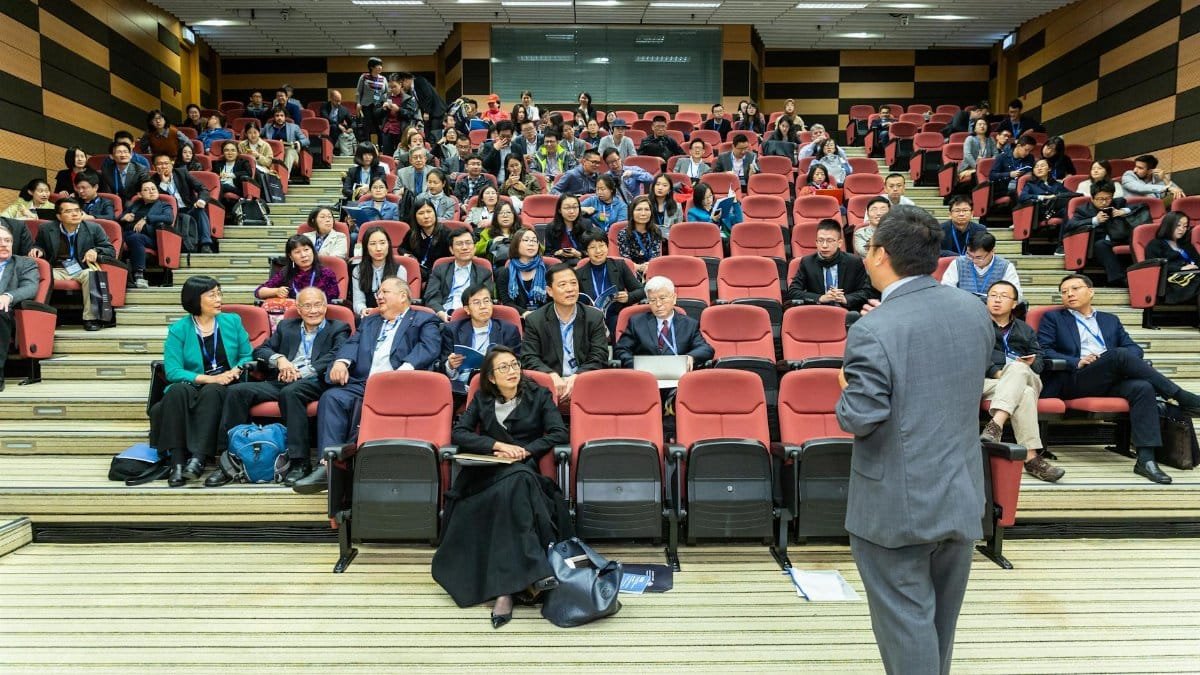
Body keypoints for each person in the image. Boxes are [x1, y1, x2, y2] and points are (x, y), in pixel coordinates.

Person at [836, 204, 994, 675]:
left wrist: (844, 390)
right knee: (938, 630)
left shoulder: (874, 328)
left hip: (896, 508)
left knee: (907, 628)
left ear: (881, 254)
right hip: (961, 493)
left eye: (867, 250)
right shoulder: (974, 309)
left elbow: (861, 417)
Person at [431, 345, 571, 628]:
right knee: (512, 491)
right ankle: (532, 572)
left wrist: (524, 451)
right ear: (491, 378)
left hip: (522, 469)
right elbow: (459, 432)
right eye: (503, 368)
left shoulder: (539, 395)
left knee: (519, 483)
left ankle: (505, 591)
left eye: (515, 365)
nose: (512, 371)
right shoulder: (482, 398)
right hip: (486, 472)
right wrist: (496, 445)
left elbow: (559, 432)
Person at [1038, 274, 1200, 484]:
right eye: (1064, 291)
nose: (1069, 294)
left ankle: (1146, 459)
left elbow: (1135, 349)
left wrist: (1112, 361)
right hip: (1075, 378)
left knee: (1142, 387)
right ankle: (1182, 396)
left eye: (1075, 288)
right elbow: (1043, 350)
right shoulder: (1054, 318)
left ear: (1091, 291)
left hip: (1110, 377)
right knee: (1118, 355)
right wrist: (1076, 360)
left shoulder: (1109, 320)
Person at [306, 277, 443, 489]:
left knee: (362, 409)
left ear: (403, 296)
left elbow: (429, 348)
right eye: (378, 292)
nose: (378, 296)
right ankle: (328, 465)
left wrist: (403, 372)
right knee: (332, 397)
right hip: (364, 383)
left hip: (401, 386)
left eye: (384, 292)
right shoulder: (370, 321)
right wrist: (341, 362)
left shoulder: (424, 319)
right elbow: (352, 343)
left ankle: (352, 471)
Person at [210, 286, 351, 487]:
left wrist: (301, 372)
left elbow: (335, 355)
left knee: (291, 392)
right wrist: (281, 361)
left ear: (325, 306)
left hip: (316, 382)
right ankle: (228, 460)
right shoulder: (287, 326)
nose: (313, 311)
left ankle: (300, 462)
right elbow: (262, 350)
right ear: (299, 309)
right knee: (236, 391)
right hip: (282, 379)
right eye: (307, 306)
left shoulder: (338, 327)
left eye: (318, 305)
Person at [153, 276, 255, 487]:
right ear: (195, 299)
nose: (219, 299)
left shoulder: (232, 321)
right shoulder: (179, 329)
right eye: (212, 295)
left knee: (213, 390)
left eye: (219, 293)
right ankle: (178, 463)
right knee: (176, 392)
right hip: (192, 382)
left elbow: (247, 356)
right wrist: (209, 377)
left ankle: (198, 459)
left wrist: (235, 371)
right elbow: (172, 371)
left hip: (224, 383)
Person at [978, 280, 1064, 482]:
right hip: (989, 381)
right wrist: (998, 373)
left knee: (1019, 369)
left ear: (1015, 303)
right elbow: (973, 354)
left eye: (1003, 296)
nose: (997, 299)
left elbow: (1040, 360)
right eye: (993, 295)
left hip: (1027, 377)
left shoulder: (1025, 330)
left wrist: (1030, 364)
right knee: (1024, 393)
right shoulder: (977, 326)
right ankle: (1031, 457)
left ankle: (995, 425)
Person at [519, 264, 609, 402]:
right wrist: (550, 375)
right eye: (562, 284)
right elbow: (529, 357)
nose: (570, 289)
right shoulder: (535, 320)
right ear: (549, 290)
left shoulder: (594, 317)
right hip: (549, 385)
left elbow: (599, 355)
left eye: (573, 283)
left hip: (585, 381)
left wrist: (578, 376)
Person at [31, 197, 117, 331]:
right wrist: (38, 250)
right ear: (59, 216)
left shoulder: (93, 228)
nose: (75, 214)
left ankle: (91, 319)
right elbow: (39, 245)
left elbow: (110, 250)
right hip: (56, 269)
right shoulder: (46, 228)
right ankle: (37, 317)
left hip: (81, 268)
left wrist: (95, 250)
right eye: (69, 211)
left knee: (92, 275)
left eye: (77, 210)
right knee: (35, 275)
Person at [614, 275, 712, 368]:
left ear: (674, 298)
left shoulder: (689, 325)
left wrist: (691, 357)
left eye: (662, 298)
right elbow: (621, 350)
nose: (658, 304)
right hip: (646, 377)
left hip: (677, 377)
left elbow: (706, 349)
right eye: (652, 300)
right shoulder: (637, 323)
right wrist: (636, 365)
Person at [1063, 180, 1149, 285]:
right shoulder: (1083, 210)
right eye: (1100, 199)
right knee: (1101, 245)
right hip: (1097, 243)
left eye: (1108, 198)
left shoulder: (1118, 203)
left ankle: (1143, 276)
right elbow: (1069, 225)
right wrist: (1094, 220)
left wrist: (1124, 211)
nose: (1104, 202)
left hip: (1121, 238)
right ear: (1092, 198)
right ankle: (1119, 279)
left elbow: (1142, 206)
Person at [442, 285, 522, 390]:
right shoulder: (452, 330)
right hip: (461, 387)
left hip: (497, 386)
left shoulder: (508, 330)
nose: (483, 306)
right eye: (476, 302)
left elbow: (518, 363)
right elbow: (441, 366)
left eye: (487, 301)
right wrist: (450, 365)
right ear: (467, 309)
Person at [786, 219, 875, 311]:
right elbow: (793, 291)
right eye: (820, 240)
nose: (824, 245)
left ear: (839, 243)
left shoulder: (854, 262)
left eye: (829, 241)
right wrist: (820, 298)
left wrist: (845, 298)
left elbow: (866, 292)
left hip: (847, 313)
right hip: (818, 311)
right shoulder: (807, 262)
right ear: (816, 242)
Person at [0, 223, 40, 391]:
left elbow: (30, 288)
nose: (4, 244)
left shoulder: (24, 263)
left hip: (9, 315)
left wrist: (8, 296)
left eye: (7, 240)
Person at [577, 229, 644, 327]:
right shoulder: (579, 273)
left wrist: (628, 297)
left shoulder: (620, 266)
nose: (598, 251)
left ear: (607, 246)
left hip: (615, 315)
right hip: (590, 317)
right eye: (592, 247)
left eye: (601, 245)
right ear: (586, 251)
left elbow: (641, 290)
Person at [150, 153, 214, 253]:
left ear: (172, 163)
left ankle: (205, 244)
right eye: (159, 164)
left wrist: (201, 200)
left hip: (189, 208)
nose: (163, 166)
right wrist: (163, 182)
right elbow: (155, 200)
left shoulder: (182, 173)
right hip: (170, 214)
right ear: (154, 166)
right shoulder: (152, 181)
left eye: (166, 163)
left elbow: (203, 189)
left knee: (200, 211)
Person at [425, 228, 494, 321]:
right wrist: (440, 312)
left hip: (470, 317)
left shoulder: (484, 273)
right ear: (451, 250)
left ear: (474, 248)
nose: (464, 247)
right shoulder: (440, 269)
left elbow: (484, 300)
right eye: (459, 244)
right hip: (443, 315)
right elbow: (431, 296)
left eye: (468, 243)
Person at [255, 234, 341, 306]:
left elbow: (333, 301)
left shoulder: (326, 273)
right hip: (292, 317)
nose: (303, 255)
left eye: (306, 250)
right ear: (291, 257)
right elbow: (259, 292)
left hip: (319, 314)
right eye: (297, 252)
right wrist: (276, 291)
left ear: (313, 252)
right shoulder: (286, 273)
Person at [119, 179, 175, 288]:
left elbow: (169, 218)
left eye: (153, 189)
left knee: (136, 238)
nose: (151, 191)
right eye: (146, 189)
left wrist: (146, 219)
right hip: (127, 235)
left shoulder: (164, 205)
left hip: (151, 238)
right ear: (139, 194)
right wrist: (123, 218)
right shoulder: (136, 205)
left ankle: (139, 275)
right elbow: (118, 217)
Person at [940, 231, 1023, 301]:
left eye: (978, 257)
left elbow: (1017, 296)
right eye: (969, 255)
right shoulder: (958, 263)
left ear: (992, 251)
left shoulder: (1006, 267)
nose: (973, 260)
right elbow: (946, 290)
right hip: (963, 309)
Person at [1145, 212, 1200, 312]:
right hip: (1171, 283)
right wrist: (1181, 268)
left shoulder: (1186, 245)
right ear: (1169, 225)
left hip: (1192, 277)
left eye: (1185, 226)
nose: (1182, 229)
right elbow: (1154, 266)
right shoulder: (1156, 244)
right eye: (1178, 225)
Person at [351, 225, 403, 318]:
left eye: (382, 243)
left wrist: (379, 311)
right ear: (366, 247)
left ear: (388, 245)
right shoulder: (358, 270)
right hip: (368, 317)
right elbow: (358, 301)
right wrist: (363, 310)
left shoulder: (400, 270)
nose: (378, 248)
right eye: (373, 244)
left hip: (393, 316)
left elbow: (400, 301)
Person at [495, 229, 549, 316]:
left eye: (534, 241)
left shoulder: (547, 270)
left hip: (545, 318)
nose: (531, 243)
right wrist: (525, 313)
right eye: (526, 240)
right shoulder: (505, 273)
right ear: (516, 245)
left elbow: (554, 299)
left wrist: (538, 316)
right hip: (518, 318)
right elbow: (507, 302)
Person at [400, 199, 451, 282]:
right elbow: (401, 248)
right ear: (415, 216)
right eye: (421, 213)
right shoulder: (413, 232)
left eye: (429, 211)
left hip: (438, 275)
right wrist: (408, 255)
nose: (426, 216)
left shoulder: (446, 233)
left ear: (435, 213)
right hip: (417, 271)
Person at [1018, 157, 1077, 225]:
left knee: (1073, 211)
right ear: (1033, 171)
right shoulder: (1030, 184)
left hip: (1057, 209)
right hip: (1042, 212)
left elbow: (1070, 194)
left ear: (1049, 169)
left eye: (1042, 166)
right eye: (1036, 167)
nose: (1039, 168)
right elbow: (1022, 197)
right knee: (1068, 212)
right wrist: (1044, 197)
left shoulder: (1056, 184)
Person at [617, 196, 664, 275]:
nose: (643, 213)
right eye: (639, 209)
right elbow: (626, 259)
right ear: (632, 212)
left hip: (652, 267)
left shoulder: (656, 231)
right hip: (631, 270)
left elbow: (655, 255)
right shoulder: (623, 233)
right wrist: (639, 267)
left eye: (646, 210)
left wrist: (649, 266)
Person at [543, 193, 593, 262]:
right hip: (560, 264)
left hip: (582, 263)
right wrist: (557, 253)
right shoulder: (551, 227)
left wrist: (579, 254)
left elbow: (592, 249)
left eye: (575, 207)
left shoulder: (587, 224)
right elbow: (547, 254)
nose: (572, 211)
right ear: (559, 210)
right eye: (567, 208)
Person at [262, 107, 310, 174]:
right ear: (273, 117)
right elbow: (257, 135)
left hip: (290, 152)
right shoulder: (267, 127)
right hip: (273, 153)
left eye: (282, 115)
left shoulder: (294, 127)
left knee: (290, 152)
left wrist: (297, 143)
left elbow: (306, 140)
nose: (279, 118)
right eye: (277, 115)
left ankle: (284, 178)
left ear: (285, 117)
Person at [1121, 153, 1186, 201]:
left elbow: (1179, 192)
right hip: (1135, 210)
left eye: (1140, 168)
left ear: (1150, 171)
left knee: (1178, 196)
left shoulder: (1158, 179)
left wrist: (1165, 179)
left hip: (1156, 210)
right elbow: (1140, 187)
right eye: (1135, 166)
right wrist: (1167, 188)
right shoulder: (1129, 175)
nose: (1135, 170)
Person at [213, 141, 253, 216]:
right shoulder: (217, 164)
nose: (230, 153)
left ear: (237, 152)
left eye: (233, 150)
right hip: (220, 187)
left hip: (236, 189)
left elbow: (248, 173)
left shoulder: (243, 162)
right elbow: (213, 177)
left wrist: (231, 175)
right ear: (223, 152)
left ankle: (215, 207)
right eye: (226, 150)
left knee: (221, 186)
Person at [355, 57, 388, 144]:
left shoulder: (383, 79)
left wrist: (385, 101)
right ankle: (367, 145)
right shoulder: (364, 77)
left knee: (379, 127)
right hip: (366, 105)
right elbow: (358, 92)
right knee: (367, 126)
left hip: (379, 106)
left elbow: (386, 92)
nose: (380, 67)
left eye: (381, 65)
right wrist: (358, 103)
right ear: (371, 67)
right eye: (378, 65)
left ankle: (381, 147)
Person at [958, 116, 998, 185]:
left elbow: (996, 154)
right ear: (975, 128)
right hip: (969, 167)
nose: (982, 126)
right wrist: (977, 168)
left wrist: (988, 166)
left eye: (984, 124)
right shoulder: (970, 139)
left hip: (986, 169)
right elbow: (967, 155)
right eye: (979, 124)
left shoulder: (991, 140)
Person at [647, 174, 684, 239]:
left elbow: (678, 229)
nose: (660, 188)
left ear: (669, 190)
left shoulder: (677, 206)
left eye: (664, 185)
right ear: (653, 187)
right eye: (657, 184)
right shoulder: (645, 203)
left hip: (669, 240)